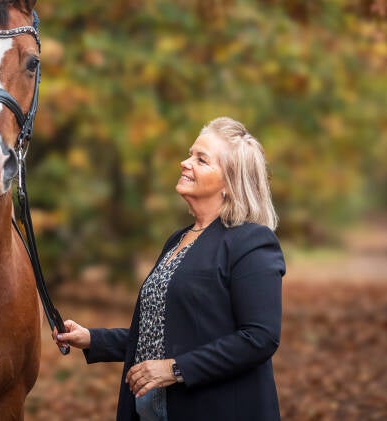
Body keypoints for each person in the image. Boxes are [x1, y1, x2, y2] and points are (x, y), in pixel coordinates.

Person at [54, 117, 285, 421]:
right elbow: (161, 331)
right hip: (151, 409)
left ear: (229, 183)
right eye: (190, 154)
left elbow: (259, 337)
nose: (184, 163)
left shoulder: (251, 241)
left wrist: (175, 369)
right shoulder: (178, 239)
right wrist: (92, 339)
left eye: (201, 159)